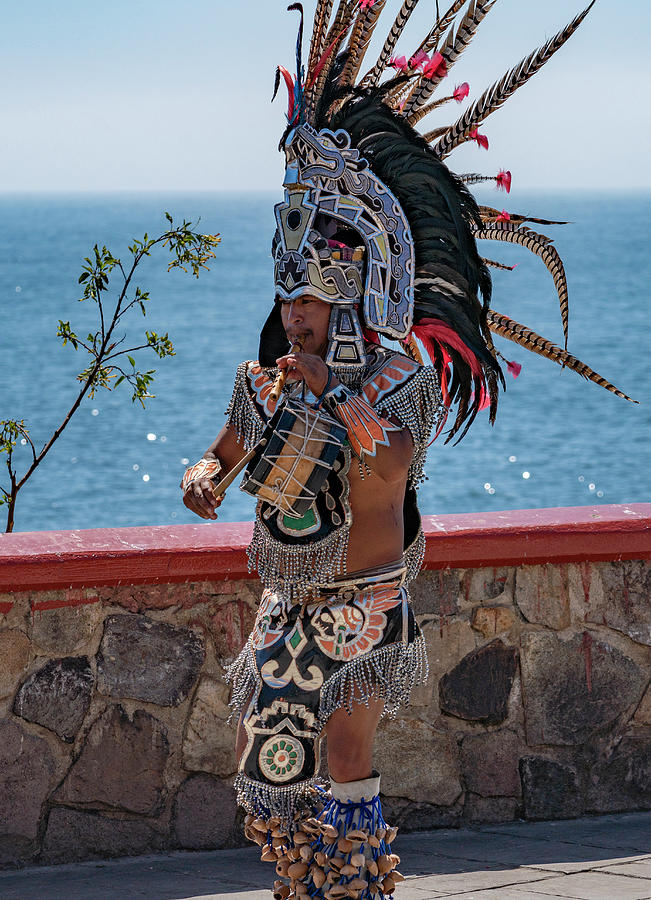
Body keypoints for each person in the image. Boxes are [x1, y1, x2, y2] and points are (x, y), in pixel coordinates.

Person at [181, 3, 631, 897]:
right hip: (289, 593)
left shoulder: (397, 382)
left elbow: (387, 467)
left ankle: (350, 882)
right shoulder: (267, 374)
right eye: (287, 301)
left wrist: (329, 393)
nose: (294, 316)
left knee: (344, 752)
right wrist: (203, 476)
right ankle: (314, 878)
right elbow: (224, 452)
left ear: (351, 296)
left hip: (364, 599)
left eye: (309, 301)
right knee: (263, 768)